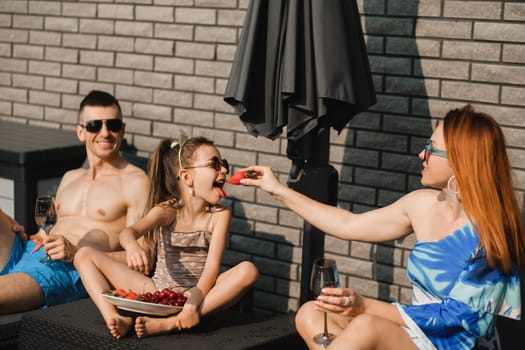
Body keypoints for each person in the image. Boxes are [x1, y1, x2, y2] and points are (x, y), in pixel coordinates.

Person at [238, 104, 525, 350]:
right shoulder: (422, 204)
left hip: (459, 344)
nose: (421, 155)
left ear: (461, 162)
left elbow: (459, 317)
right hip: (417, 334)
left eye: (431, 149)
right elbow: (349, 224)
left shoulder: (495, 232)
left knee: (367, 327)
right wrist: (277, 190)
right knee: (310, 313)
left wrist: (365, 306)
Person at [74, 134, 259, 339]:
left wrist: (192, 304)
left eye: (223, 164)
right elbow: (129, 233)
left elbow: (211, 269)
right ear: (187, 177)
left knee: (248, 271)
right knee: (84, 255)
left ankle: (172, 323)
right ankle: (116, 317)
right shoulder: (168, 211)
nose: (224, 170)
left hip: (200, 295)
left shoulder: (219, 216)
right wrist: (133, 247)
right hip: (157, 291)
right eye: (214, 164)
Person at [0, 90, 149, 314]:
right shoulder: (70, 177)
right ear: (81, 132)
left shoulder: (135, 182)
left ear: (123, 130)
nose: (105, 133)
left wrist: (77, 252)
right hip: (30, 250)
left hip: (67, 269)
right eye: (94, 125)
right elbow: (49, 232)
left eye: (113, 125)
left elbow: (144, 256)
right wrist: (28, 235)